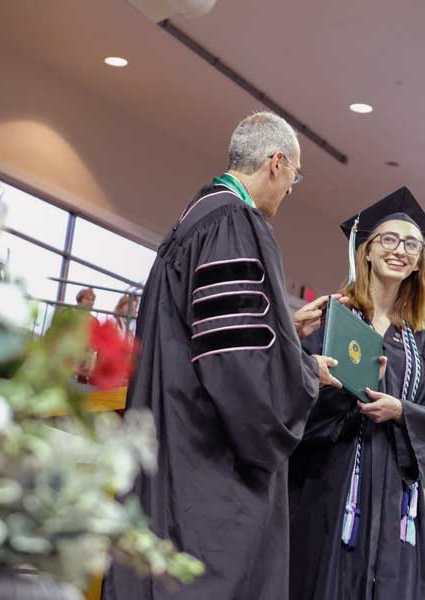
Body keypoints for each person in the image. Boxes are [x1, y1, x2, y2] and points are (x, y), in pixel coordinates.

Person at [102, 111, 341, 600]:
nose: (291, 189)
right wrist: (305, 370)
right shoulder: (237, 222)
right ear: (276, 163)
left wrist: (284, 329)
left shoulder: (197, 215)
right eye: (294, 175)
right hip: (206, 456)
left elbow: (221, 326)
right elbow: (239, 365)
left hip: (168, 433)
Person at [288, 186, 425, 600]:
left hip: (395, 493)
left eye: (412, 245)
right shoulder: (333, 319)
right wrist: (336, 390)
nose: (400, 250)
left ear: (420, 263)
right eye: (388, 239)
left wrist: (401, 411)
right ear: (365, 250)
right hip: (332, 478)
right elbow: (293, 397)